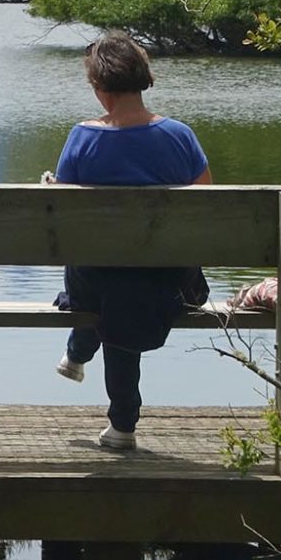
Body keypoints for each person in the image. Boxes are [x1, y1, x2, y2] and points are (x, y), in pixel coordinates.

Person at [51, 31, 211, 451]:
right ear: (143, 79)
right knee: (129, 283)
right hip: (169, 283)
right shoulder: (180, 136)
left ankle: (83, 360)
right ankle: (120, 422)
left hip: (98, 283)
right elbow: (207, 207)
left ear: (99, 87)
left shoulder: (82, 138)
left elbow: (63, 218)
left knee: (109, 281)